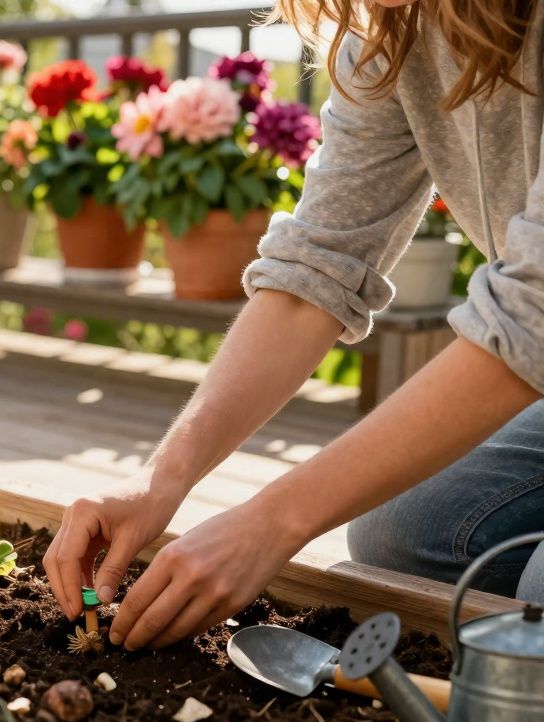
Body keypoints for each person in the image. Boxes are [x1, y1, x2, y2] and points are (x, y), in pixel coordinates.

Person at [44, 0, 544, 651]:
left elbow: (533, 312)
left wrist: (272, 521)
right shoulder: (391, 34)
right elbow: (318, 267)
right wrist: (162, 477)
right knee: (394, 537)